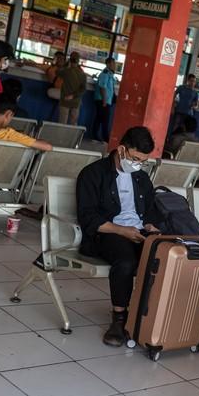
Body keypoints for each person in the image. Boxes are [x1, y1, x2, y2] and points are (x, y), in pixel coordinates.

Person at [76, 127, 160, 347]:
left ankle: (146, 314)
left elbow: (150, 210)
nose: (138, 165)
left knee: (164, 258)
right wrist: (122, 231)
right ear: (121, 149)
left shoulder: (141, 178)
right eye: (134, 159)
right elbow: (88, 217)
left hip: (138, 232)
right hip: (107, 232)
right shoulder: (93, 174)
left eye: (143, 161)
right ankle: (119, 318)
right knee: (125, 261)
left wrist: (151, 226)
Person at [58, 52, 87, 126]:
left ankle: (60, 137)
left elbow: (57, 72)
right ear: (78, 61)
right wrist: (73, 96)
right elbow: (83, 89)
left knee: (62, 123)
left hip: (65, 100)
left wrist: (65, 65)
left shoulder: (66, 71)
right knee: (73, 124)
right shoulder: (82, 74)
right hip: (76, 102)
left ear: (70, 60)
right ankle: (71, 137)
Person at [93, 57, 117, 141]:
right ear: (108, 64)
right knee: (104, 119)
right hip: (102, 100)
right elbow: (102, 88)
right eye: (113, 64)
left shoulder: (110, 74)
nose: (115, 65)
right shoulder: (105, 73)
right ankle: (105, 138)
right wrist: (104, 101)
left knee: (100, 118)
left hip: (106, 100)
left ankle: (95, 136)